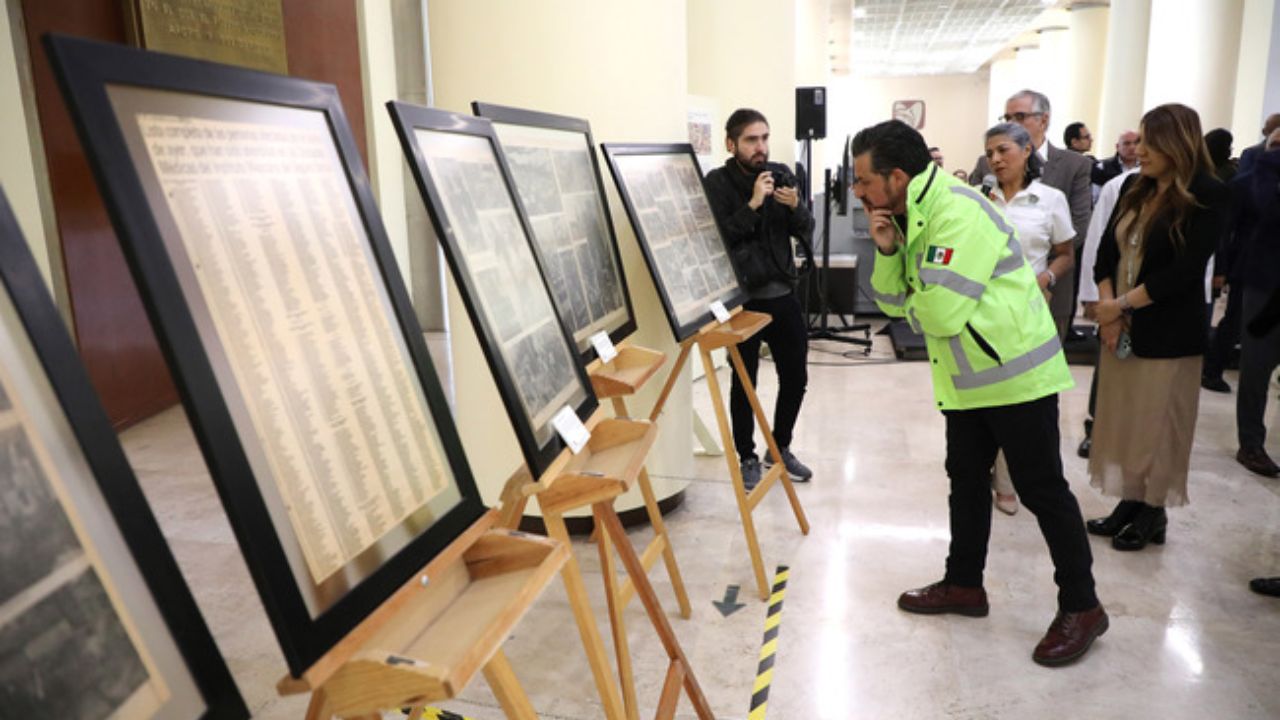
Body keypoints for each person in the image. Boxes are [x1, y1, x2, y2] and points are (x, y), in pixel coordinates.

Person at [855, 119, 1105, 667]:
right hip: (969, 380)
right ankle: (964, 584)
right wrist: (891, 251)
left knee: (1041, 490)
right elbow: (890, 300)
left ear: (896, 177)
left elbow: (938, 313)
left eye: (863, 180)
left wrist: (915, 296)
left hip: (1014, 375)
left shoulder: (956, 212)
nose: (858, 192)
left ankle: (1083, 607)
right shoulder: (914, 213)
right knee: (965, 480)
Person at [1086, 104, 1229, 550]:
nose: (1139, 150)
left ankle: (1153, 512)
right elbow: (1105, 254)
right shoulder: (1134, 186)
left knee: (1159, 425)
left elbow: (1184, 272)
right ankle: (1129, 501)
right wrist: (1110, 307)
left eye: (1148, 141)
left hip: (1169, 331)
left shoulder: (1209, 193)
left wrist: (1120, 307)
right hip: (1121, 326)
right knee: (1125, 419)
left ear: (1175, 142)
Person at [703, 108, 815, 490]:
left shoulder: (783, 173)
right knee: (744, 382)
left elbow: (806, 227)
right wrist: (752, 204)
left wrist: (795, 206)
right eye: (752, 140)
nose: (761, 147)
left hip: (784, 294)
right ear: (731, 144)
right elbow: (718, 239)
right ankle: (747, 456)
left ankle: (779, 446)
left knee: (796, 375)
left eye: (764, 138)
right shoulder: (717, 183)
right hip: (742, 300)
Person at [982, 122, 1076, 516]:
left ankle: (1010, 481)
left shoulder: (1050, 199)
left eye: (1003, 150)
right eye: (990, 154)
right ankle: (988, 469)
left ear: (1026, 151)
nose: (997, 159)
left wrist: (1047, 277)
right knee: (986, 397)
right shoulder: (978, 199)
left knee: (1021, 399)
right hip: (984, 316)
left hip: (1028, 315)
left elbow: (1066, 252)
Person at [970, 90, 1092, 342]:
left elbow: (1078, 226)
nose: (1011, 123)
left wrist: (1037, 273)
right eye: (1007, 117)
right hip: (987, 296)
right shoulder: (986, 166)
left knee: (1041, 370)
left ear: (1043, 120)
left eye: (1020, 116)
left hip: (1044, 289)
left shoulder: (1072, 165)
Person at [1076, 166, 1141, 459]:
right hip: (1116, 295)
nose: (1139, 150)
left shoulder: (1201, 187)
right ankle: (1098, 426)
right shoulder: (1125, 184)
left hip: (1163, 303)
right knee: (1111, 364)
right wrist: (1097, 299)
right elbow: (1100, 245)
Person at [1232, 127, 1280, 477]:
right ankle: (1250, 443)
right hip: (1267, 283)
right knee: (1257, 365)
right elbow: (1261, 203)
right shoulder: (1266, 165)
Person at [1201, 128, 1239, 393]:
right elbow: (1224, 229)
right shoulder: (1226, 179)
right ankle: (1209, 369)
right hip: (1214, 258)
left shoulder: (1212, 175)